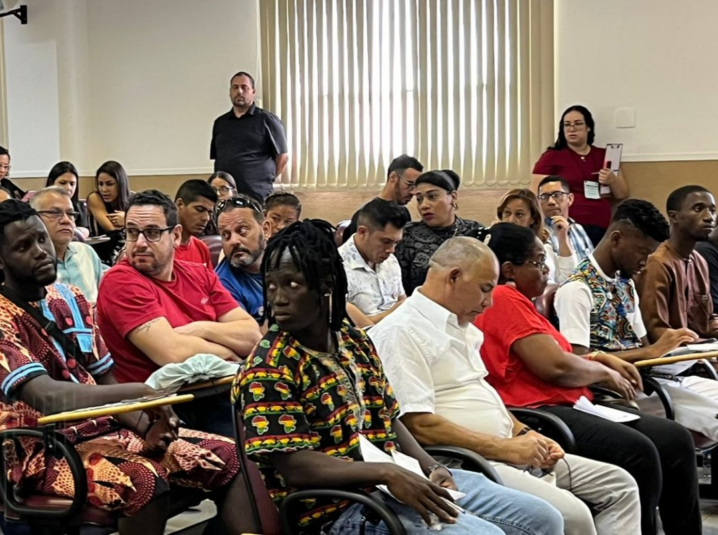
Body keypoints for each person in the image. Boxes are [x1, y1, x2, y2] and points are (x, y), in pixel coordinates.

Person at [235, 221, 564, 535]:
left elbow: (389, 418)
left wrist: (431, 467)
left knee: (544, 519)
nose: (277, 298)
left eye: (292, 284)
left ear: (326, 284)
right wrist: (387, 472)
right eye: (272, 285)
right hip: (341, 507)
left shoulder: (354, 341)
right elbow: (294, 466)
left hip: (397, 477)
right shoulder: (269, 366)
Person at [0, 200, 256, 535]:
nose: (41, 251)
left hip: (107, 435)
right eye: (24, 246)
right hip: (43, 453)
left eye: (42, 240)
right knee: (144, 480)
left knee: (233, 457)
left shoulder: (70, 298)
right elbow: (46, 397)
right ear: (0, 261)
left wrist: (146, 424)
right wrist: (143, 393)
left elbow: (104, 379)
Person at [372, 232, 640, 534]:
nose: (488, 303)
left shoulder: (461, 322)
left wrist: (523, 432)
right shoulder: (401, 331)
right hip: (467, 461)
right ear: (454, 276)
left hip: (506, 448)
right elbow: (417, 424)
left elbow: (484, 395)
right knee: (572, 515)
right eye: (485, 290)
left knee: (621, 484)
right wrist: (506, 448)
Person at [467, 224, 701, 535]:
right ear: (509, 270)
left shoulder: (524, 302)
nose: (547, 268)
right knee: (640, 451)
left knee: (675, 439)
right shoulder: (503, 297)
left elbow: (561, 356)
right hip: (541, 412)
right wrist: (604, 370)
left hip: (570, 401)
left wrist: (598, 358)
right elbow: (556, 367)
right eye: (538, 262)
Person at [96, 190, 259, 436]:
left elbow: (252, 337)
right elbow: (172, 353)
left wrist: (201, 329)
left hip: (221, 392)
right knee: (258, 451)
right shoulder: (120, 280)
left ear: (175, 235)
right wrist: (228, 352)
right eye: (131, 232)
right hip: (167, 409)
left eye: (151, 233)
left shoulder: (200, 274)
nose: (139, 243)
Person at [554, 200, 718, 440]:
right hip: (614, 392)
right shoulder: (577, 289)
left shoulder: (625, 283)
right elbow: (579, 361)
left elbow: (642, 348)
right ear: (617, 239)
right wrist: (653, 351)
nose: (646, 261)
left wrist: (669, 348)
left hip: (652, 380)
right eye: (643, 252)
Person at [532, 106, 629, 245]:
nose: (572, 129)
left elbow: (622, 194)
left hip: (602, 223)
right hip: (569, 225)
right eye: (567, 125)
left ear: (588, 127)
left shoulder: (605, 156)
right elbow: (535, 195)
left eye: (578, 124)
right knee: (581, 265)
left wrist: (612, 180)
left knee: (598, 265)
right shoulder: (552, 157)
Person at [637, 185, 718, 340]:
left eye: (712, 210)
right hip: (674, 357)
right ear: (673, 217)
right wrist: (701, 343)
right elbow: (656, 331)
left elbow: (708, 321)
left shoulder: (699, 260)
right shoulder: (658, 263)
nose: (709, 217)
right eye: (698, 209)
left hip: (700, 351)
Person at [397, 170, 481, 294]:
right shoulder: (406, 235)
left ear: (453, 197)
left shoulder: (475, 232)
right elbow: (398, 288)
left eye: (432, 196)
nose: (424, 205)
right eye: (419, 199)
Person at [210, 72, 288, 202]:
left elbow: (283, 157)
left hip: (257, 193)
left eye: (244, 87)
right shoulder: (220, 123)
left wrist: (263, 181)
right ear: (230, 91)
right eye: (235, 87)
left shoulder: (267, 120)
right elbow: (219, 157)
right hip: (225, 195)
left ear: (253, 91)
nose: (239, 91)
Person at [339, 197, 409, 325]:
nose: (391, 250)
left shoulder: (390, 260)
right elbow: (351, 329)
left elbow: (402, 301)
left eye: (396, 243)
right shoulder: (337, 267)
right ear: (363, 232)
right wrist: (398, 310)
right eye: (386, 242)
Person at [31, 187, 107, 303]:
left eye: (70, 214)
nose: (66, 220)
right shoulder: (30, 262)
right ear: (34, 218)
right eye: (55, 213)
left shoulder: (86, 252)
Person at [496, 189, 576, 284]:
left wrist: (562, 237)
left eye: (519, 214)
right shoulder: (494, 246)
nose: (511, 220)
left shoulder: (544, 248)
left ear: (533, 219)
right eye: (507, 213)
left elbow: (566, 279)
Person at [215, 195, 267, 324]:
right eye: (225, 235)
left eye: (242, 230)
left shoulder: (287, 262)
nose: (233, 241)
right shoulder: (220, 283)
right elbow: (250, 337)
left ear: (265, 230)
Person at [345, 155, 424, 238]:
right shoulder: (366, 214)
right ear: (393, 177)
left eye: (416, 186)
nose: (413, 192)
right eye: (409, 184)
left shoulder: (403, 212)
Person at [537, 176, 594, 266]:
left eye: (557, 195)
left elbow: (591, 265)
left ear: (570, 199)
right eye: (544, 197)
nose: (551, 201)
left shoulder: (578, 229)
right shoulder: (539, 232)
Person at [173, 180, 217, 269]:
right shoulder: (161, 247)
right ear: (179, 205)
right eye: (200, 209)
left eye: (209, 213)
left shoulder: (201, 249)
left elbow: (210, 282)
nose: (206, 218)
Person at [45, 161, 89, 228]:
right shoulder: (41, 207)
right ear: (51, 183)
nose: (68, 188)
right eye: (63, 183)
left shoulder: (81, 208)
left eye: (72, 184)